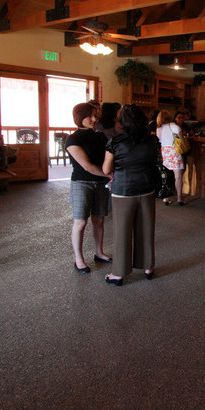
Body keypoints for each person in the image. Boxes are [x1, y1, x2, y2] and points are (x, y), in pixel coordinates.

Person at [102, 105, 159, 286]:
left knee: (122, 232)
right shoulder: (152, 140)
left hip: (123, 191)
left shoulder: (115, 142)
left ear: (122, 122)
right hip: (147, 188)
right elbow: (156, 161)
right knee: (146, 229)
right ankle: (148, 267)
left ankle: (118, 273)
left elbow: (106, 169)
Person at [66, 102, 112, 273]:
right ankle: (78, 259)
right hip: (82, 182)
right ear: (79, 118)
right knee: (80, 222)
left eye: (95, 115)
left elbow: (110, 158)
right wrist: (109, 175)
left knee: (99, 219)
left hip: (101, 183)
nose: (94, 119)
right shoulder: (73, 139)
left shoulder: (101, 136)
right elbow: (87, 166)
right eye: (90, 115)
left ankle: (99, 252)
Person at [156, 109, 185, 205]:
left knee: (166, 176)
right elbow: (181, 138)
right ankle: (179, 198)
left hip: (165, 152)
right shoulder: (173, 126)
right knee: (178, 176)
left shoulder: (158, 129)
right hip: (174, 151)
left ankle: (166, 197)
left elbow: (159, 140)